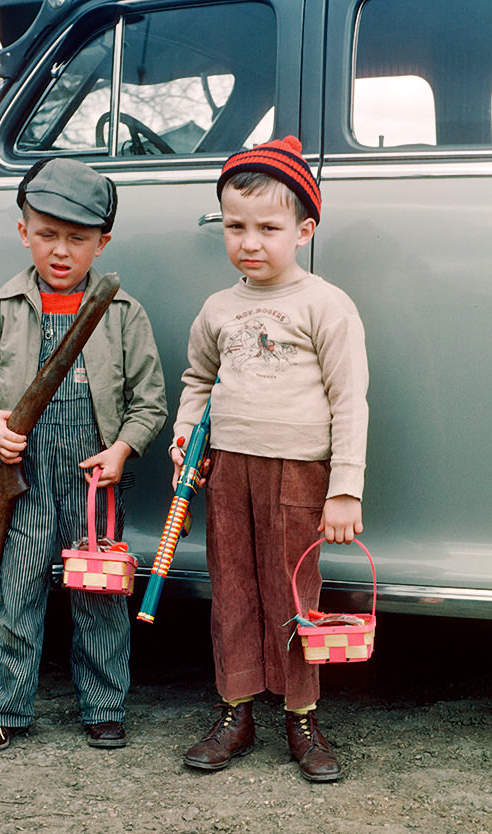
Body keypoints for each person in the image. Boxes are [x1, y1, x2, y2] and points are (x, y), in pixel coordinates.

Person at [0, 157, 167, 754]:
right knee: (18, 596)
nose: (61, 251)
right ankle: (5, 710)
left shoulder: (123, 315)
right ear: (23, 232)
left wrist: (123, 448)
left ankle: (103, 707)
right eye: (47, 234)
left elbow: (150, 403)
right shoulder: (2, 307)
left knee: (99, 599)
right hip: (26, 483)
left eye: (78, 238)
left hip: (96, 490)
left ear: (104, 242)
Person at [171, 136, 368, 782]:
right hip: (228, 470)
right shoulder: (218, 310)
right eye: (235, 226)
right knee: (231, 590)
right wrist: (185, 442)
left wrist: (345, 490)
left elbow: (350, 400)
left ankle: (300, 715)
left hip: (298, 473)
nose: (249, 242)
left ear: (305, 230)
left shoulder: (325, 306)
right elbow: (197, 381)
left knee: (292, 595)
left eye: (268, 228)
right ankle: (237, 711)